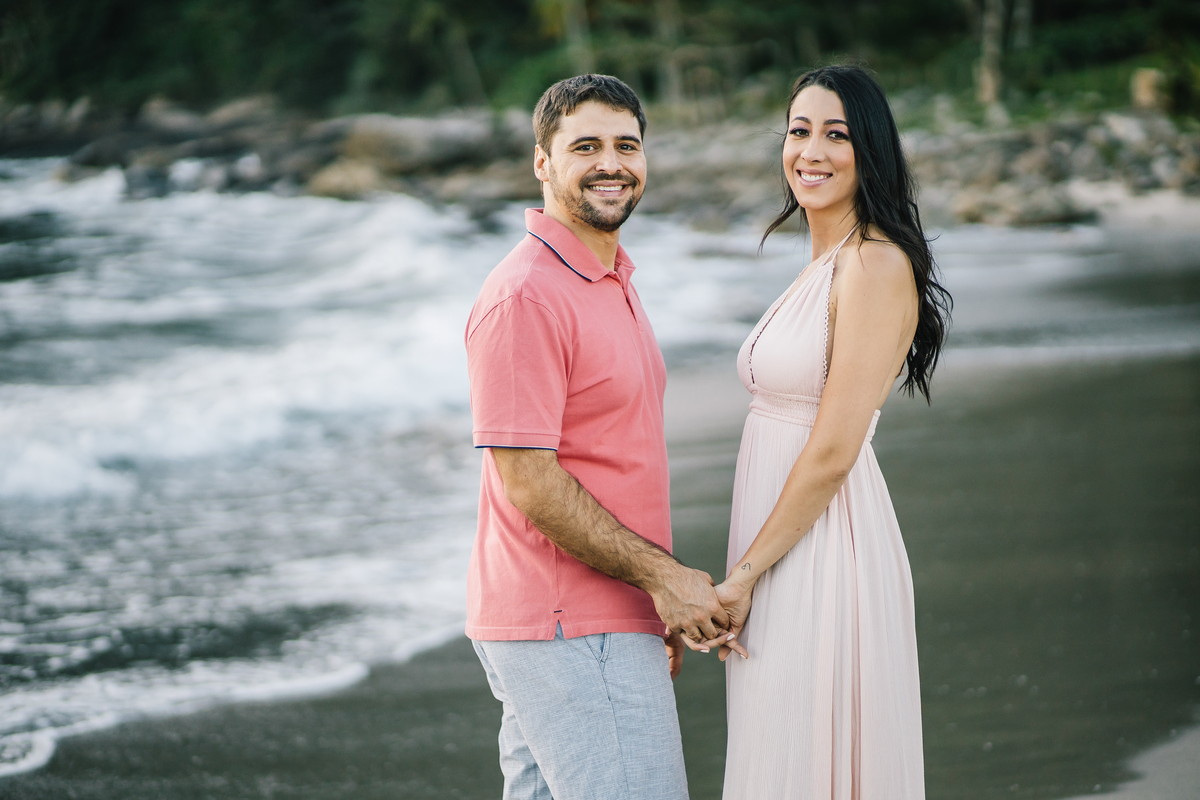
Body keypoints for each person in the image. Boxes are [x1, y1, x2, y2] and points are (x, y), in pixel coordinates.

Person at [464, 74, 743, 800]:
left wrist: (650, 603)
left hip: (601, 616)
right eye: (585, 146)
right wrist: (663, 579)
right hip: (566, 625)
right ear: (542, 163)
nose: (611, 163)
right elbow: (527, 478)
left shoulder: (609, 275)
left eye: (627, 145)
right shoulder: (526, 294)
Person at [709, 65, 951, 798]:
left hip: (822, 547)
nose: (810, 151)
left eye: (836, 135)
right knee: (781, 743)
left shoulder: (875, 263)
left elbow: (836, 445)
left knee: (806, 751)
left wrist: (745, 576)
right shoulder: (823, 262)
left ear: (870, 150)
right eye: (798, 131)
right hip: (779, 538)